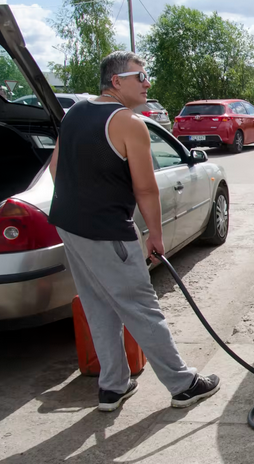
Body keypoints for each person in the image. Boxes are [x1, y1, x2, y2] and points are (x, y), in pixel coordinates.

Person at [48, 51, 221, 412]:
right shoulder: (128, 122)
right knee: (141, 307)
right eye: (140, 76)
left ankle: (112, 386)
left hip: (70, 224)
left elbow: (55, 168)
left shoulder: (74, 113)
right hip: (107, 229)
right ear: (116, 81)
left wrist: (83, 201)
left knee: (99, 304)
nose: (147, 83)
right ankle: (182, 383)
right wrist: (155, 236)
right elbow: (145, 188)